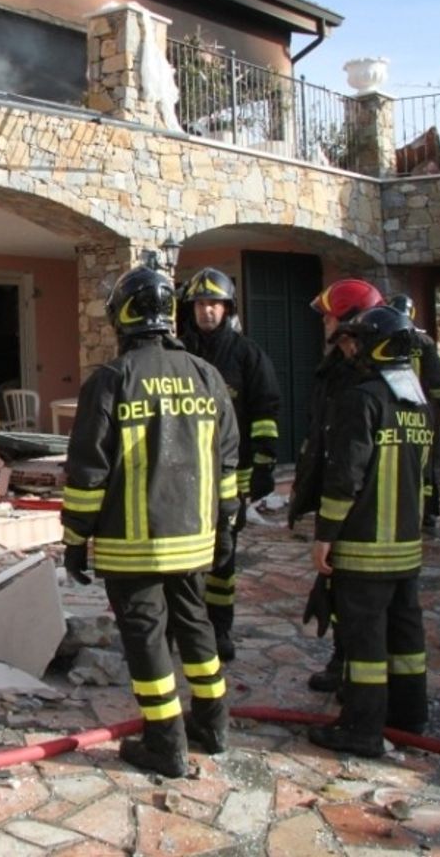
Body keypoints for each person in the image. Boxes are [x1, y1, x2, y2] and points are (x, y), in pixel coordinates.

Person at [61, 265, 239, 777]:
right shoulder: (207, 376)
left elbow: (87, 473)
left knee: (148, 641)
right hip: (196, 540)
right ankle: (212, 725)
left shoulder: (113, 381)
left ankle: (165, 743)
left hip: (132, 546)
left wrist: (76, 539)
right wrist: (224, 530)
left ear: (124, 316)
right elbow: (228, 464)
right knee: (197, 628)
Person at [306, 305, 432, 758]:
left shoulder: (361, 399)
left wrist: (325, 534)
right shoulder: (417, 403)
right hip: (406, 548)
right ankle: (409, 715)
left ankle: (360, 728)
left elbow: (346, 477)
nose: (352, 349)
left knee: (364, 645)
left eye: (357, 341)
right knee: (406, 638)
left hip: (363, 548)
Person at [179, 267, 281, 662]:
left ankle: (220, 629)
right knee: (184, 556)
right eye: (201, 304)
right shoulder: (178, 353)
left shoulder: (247, 354)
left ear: (227, 308)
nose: (207, 311)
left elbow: (266, 410)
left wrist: (264, 465)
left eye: (215, 304)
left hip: (229, 478)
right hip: (185, 473)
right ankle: (187, 626)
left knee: (224, 556)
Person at [288, 277, 384, 693]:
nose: (323, 322)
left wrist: (328, 527)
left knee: (352, 594)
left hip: (357, 505)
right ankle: (342, 662)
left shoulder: (365, 381)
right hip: (338, 492)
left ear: (346, 320)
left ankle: (355, 681)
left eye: (329, 315)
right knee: (336, 587)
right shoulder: (337, 369)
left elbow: (351, 457)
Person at [387, 294, 440, 536]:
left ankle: (400, 511)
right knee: (425, 465)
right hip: (421, 414)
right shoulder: (423, 342)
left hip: (389, 413)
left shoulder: (382, 338)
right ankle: (427, 514)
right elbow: (437, 381)